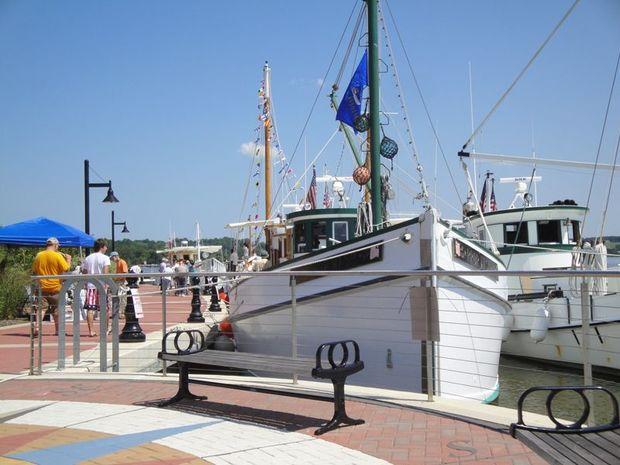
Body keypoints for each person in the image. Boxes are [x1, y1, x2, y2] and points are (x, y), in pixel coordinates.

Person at [31, 237, 72, 336]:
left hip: (42, 287)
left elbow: (34, 270)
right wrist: (68, 259)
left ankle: (37, 327)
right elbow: (66, 268)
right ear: (55, 245)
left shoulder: (39, 255)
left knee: (41, 309)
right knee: (56, 309)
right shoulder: (57, 256)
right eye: (58, 246)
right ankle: (58, 330)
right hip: (55, 287)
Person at [81, 238, 110, 337]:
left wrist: (85, 283)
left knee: (90, 308)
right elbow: (105, 273)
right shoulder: (105, 258)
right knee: (104, 309)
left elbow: (84, 272)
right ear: (102, 247)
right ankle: (106, 329)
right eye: (106, 246)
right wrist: (106, 284)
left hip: (90, 285)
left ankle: (91, 330)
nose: (106, 248)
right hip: (101, 285)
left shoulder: (88, 258)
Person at [110, 252, 128, 318]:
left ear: (115, 256)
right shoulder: (116, 263)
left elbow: (125, 273)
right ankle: (117, 313)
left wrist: (117, 278)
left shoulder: (122, 262)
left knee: (122, 298)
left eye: (112, 258)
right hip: (116, 282)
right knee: (116, 298)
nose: (111, 259)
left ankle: (122, 313)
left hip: (121, 282)